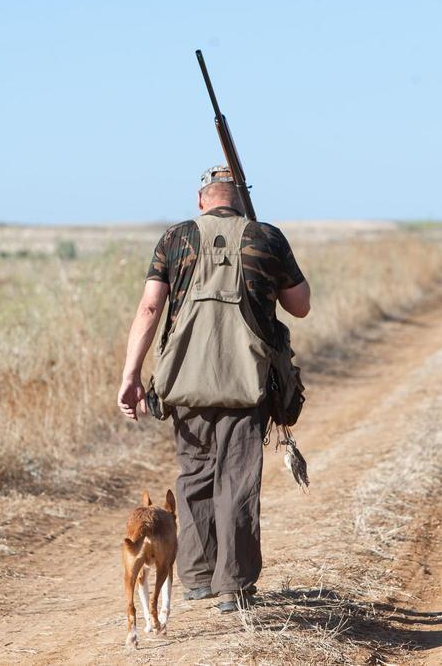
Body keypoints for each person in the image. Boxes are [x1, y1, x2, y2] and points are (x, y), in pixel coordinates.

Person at [117, 165, 311, 613]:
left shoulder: (175, 238)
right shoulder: (266, 237)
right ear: (239, 199)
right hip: (246, 383)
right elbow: (300, 306)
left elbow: (149, 308)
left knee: (195, 477)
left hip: (185, 384)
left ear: (201, 199)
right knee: (237, 482)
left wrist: (131, 374)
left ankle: (199, 578)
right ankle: (234, 587)